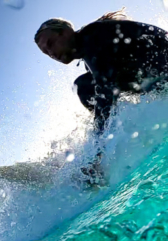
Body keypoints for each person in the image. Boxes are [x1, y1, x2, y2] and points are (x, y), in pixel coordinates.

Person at [35, 8, 168, 183]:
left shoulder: (93, 37)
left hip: (162, 68)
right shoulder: (92, 49)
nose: (51, 54)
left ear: (66, 32)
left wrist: (97, 156)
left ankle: (102, 156)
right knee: (87, 87)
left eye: (51, 44)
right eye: (46, 53)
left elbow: (106, 93)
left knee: (86, 88)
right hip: (155, 78)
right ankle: (124, 132)